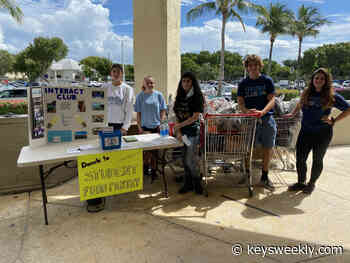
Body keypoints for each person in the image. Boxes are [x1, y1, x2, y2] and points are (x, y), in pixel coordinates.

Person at [286, 68, 350, 194]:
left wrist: (333, 120)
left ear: (326, 81)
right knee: (300, 158)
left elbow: (348, 109)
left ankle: (311, 183)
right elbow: (300, 104)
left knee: (317, 159)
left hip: (322, 133)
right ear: (312, 80)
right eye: (316, 78)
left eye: (322, 79)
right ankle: (301, 182)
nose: (319, 80)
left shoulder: (331, 96)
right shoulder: (306, 93)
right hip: (305, 131)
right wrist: (292, 114)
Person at [86, 63, 134, 213]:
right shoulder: (104, 88)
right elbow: (96, 105)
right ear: (110, 73)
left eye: (119, 72)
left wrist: (125, 127)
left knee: (117, 156)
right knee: (103, 155)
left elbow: (129, 110)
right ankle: (103, 188)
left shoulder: (127, 89)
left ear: (122, 74)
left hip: (119, 127)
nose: (116, 74)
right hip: (105, 126)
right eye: (114, 71)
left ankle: (117, 185)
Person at [237, 54, 277, 191]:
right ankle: (246, 173)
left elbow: (272, 101)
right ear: (247, 67)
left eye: (256, 65)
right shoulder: (243, 83)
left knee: (267, 148)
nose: (253, 68)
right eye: (250, 65)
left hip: (266, 120)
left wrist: (262, 112)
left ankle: (265, 177)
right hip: (249, 121)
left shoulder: (267, 81)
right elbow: (240, 103)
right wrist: (247, 111)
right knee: (247, 148)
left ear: (260, 66)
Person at [173, 72, 204, 195]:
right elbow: (177, 116)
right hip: (183, 134)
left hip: (192, 133)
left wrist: (179, 126)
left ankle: (197, 182)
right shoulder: (180, 96)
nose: (185, 83)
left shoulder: (197, 96)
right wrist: (179, 131)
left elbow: (195, 117)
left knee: (190, 159)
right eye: (183, 81)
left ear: (192, 83)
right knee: (185, 158)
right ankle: (188, 183)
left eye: (188, 81)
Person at [134, 76, 167, 180]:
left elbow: (163, 110)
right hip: (145, 128)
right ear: (143, 84)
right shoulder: (140, 96)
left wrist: (161, 122)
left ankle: (154, 170)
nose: (150, 85)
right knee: (146, 152)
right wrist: (139, 127)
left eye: (152, 83)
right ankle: (145, 168)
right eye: (148, 83)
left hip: (156, 127)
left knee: (155, 152)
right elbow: (138, 113)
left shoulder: (159, 95)